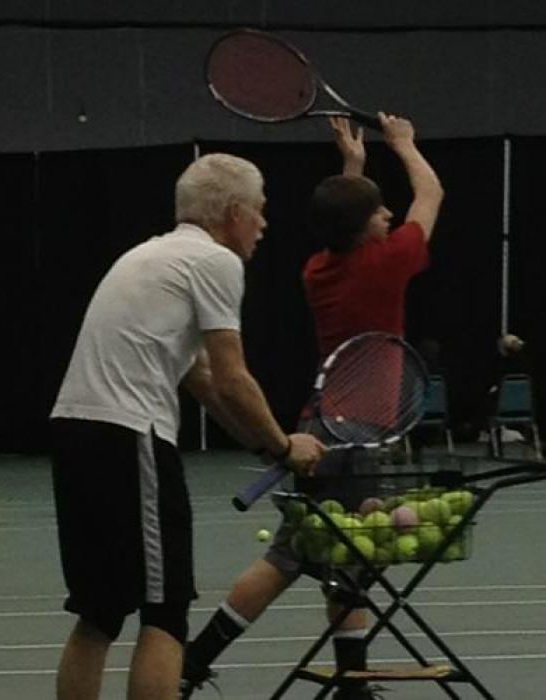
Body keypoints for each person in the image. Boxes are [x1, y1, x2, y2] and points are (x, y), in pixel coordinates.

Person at [181, 113, 444, 700]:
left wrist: (352, 166)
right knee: (289, 558)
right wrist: (403, 143)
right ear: (366, 229)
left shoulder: (318, 268)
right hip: (356, 435)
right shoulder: (386, 262)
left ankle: (351, 683)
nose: (389, 216)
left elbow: (344, 216)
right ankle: (191, 663)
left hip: (321, 426)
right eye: (379, 212)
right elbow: (430, 193)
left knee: (341, 557)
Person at [49, 153, 326, 700]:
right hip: (130, 438)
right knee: (166, 610)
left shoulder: (149, 255)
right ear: (233, 211)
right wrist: (283, 444)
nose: (265, 225)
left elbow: (199, 378)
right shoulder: (214, 262)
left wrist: (261, 446)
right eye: (260, 212)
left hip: (75, 431)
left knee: (100, 611)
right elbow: (232, 377)